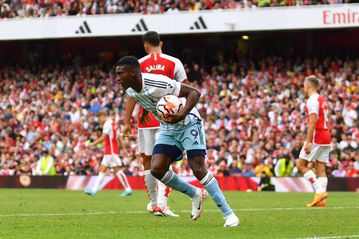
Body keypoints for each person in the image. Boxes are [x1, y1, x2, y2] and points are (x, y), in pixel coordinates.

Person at [116, 56, 239, 227]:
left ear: (134, 73)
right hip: (168, 128)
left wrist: (181, 114)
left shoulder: (159, 82)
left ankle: (229, 214)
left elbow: (194, 93)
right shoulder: (129, 89)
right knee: (157, 168)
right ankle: (195, 193)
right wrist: (145, 111)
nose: (118, 78)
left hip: (189, 123)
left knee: (198, 168)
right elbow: (144, 98)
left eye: (121, 74)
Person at [123, 31, 187, 217]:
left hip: (145, 119)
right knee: (165, 160)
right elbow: (185, 90)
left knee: (147, 161)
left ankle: (153, 203)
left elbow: (131, 96)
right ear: (161, 43)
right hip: (168, 120)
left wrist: (126, 122)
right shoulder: (174, 62)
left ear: (145, 45)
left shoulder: (139, 64)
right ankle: (162, 203)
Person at [296, 75, 331, 207]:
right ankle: (321, 199)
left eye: (304, 86)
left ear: (308, 86)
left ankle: (319, 191)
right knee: (320, 168)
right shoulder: (322, 100)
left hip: (317, 137)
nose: (304, 89)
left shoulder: (312, 101)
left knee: (301, 165)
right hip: (326, 137)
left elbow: (313, 120)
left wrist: (308, 141)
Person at [84, 111, 133, 196]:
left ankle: (128, 189)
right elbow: (119, 138)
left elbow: (103, 138)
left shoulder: (107, 124)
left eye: (99, 118)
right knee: (102, 170)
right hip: (108, 152)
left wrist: (92, 144)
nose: (99, 121)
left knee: (117, 170)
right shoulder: (113, 124)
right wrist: (124, 149)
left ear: (103, 116)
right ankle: (94, 190)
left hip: (111, 152)